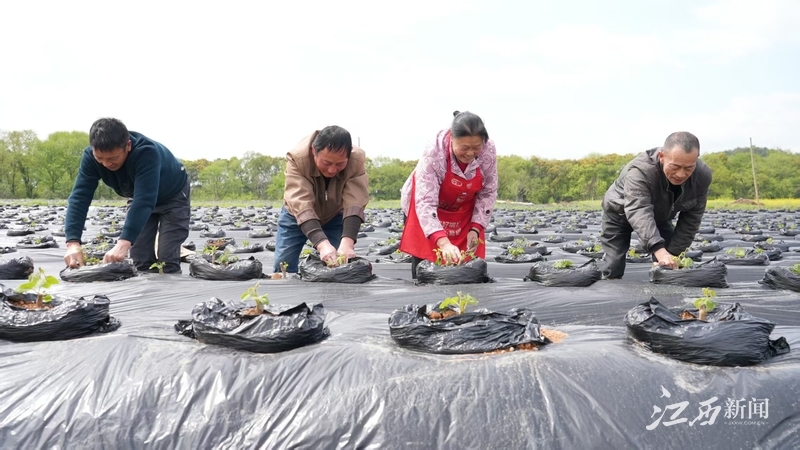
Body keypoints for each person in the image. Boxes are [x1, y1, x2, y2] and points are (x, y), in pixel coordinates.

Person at [63, 118, 190, 274]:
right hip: (139, 195)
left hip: (173, 195)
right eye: (100, 158)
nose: (106, 164)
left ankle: (171, 290)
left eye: (113, 158)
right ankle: (147, 295)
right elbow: (80, 197)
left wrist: (123, 243)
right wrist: (72, 242)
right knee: (140, 256)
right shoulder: (90, 157)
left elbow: (145, 199)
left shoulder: (146, 152)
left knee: (167, 256)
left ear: (128, 146)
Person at [600, 131, 712, 279]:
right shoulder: (641, 171)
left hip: (660, 216)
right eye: (675, 166)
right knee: (613, 265)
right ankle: (610, 292)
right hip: (618, 213)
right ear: (661, 157)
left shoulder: (702, 176)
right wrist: (659, 250)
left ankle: (662, 300)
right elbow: (639, 210)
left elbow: (692, 219)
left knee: (669, 266)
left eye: (688, 168)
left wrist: (671, 254)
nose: (680, 174)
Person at [399, 111, 498, 278]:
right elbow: (425, 201)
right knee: (426, 267)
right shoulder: (434, 152)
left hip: (463, 211)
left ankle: (461, 303)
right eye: (464, 147)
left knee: (466, 267)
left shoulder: (488, 150)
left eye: (476, 147)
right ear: (451, 138)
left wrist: (476, 228)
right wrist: (443, 243)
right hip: (427, 209)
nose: (470, 153)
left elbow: (488, 190)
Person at [273, 125, 369, 273]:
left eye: (340, 164)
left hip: (335, 216)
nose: (332, 169)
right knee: (283, 263)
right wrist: (322, 244)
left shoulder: (356, 160)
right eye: (327, 163)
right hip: (296, 216)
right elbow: (300, 201)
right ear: (313, 151)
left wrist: (348, 242)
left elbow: (356, 200)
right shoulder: (298, 158)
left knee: (336, 265)